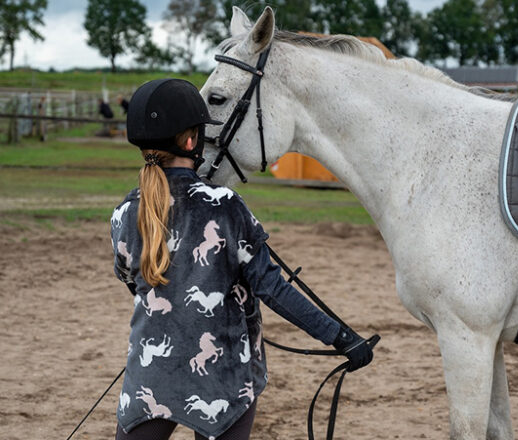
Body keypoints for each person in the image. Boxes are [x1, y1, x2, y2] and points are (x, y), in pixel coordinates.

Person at [111, 78, 373, 440]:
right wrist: (341, 337)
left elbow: (132, 281)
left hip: (151, 371)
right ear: (191, 141)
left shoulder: (125, 212)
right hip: (222, 376)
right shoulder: (225, 206)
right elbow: (273, 288)